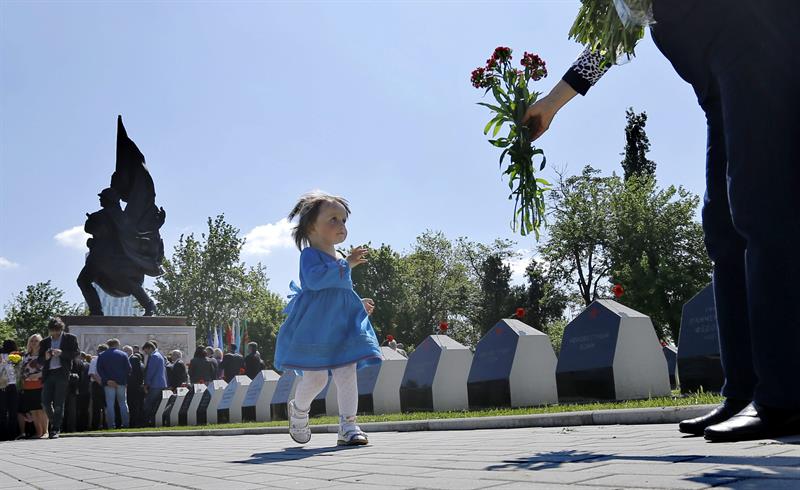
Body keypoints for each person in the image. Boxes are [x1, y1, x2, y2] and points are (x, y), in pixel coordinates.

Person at [522, 1, 800, 442]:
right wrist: (551, 105)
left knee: (761, 213)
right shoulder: (636, 6)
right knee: (723, 233)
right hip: (720, 100)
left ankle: (785, 396)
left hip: (762, 57)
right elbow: (607, 44)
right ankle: (743, 391)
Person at [274, 191, 382, 446]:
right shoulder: (310, 255)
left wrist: (358, 303)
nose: (341, 226)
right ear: (311, 226)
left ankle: (348, 425)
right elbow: (316, 281)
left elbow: (341, 291)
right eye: (333, 219)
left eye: (343, 220)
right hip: (317, 327)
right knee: (317, 377)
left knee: (347, 371)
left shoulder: (339, 259)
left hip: (341, 326)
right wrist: (346, 264)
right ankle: (299, 411)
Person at [38, 317, 79, 439]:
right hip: (48, 374)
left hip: (62, 373)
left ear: (61, 329)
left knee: (58, 403)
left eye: (57, 331)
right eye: (52, 331)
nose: (55, 333)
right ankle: (55, 422)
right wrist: (45, 357)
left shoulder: (70, 338)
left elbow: (76, 354)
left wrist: (61, 353)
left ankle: (55, 428)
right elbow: (40, 361)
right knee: (45, 402)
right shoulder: (44, 342)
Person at [16, 335, 47, 439]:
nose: (34, 342)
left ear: (41, 342)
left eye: (36, 341)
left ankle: (45, 432)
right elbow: (22, 370)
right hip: (28, 386)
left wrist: (38, 375)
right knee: (33, 410)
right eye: (32, 341)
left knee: (42, 409)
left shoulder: (44, 355)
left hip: (41, 385)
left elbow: (49, 370)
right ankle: (39, 432)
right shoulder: (26, 356)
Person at [97, 339, 131, 429]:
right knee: (123, 403)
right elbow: (128, 369)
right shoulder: (123, 355)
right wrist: (121, 379)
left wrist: (107, 380)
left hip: (108, 383)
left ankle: (111, 425)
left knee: (110, 404)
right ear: (117, 344)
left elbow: (99, 370)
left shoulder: (102, 355)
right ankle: (126, 424)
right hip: (121, 383)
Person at [141, 341, 167, 426]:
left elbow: (150, 372)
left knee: (148, 404)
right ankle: (154, 421)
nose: (146, 353)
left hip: (155, 384)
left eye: (146, 351)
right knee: (156, 404)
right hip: (161, 384)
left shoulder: (154, 356)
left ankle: (146, 422)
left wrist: (146, 383)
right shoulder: (160, 355)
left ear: (150, 348)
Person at [0, 339, 20, 441]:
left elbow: (18, 370)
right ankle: (9, 435)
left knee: (5, 411)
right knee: (10, 411)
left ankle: (6, 435)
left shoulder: (17, 356)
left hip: (9, 384)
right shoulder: (15, 355)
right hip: (6, 384)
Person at [124, 346, 144, 428]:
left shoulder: (133, 359)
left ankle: (134, 423)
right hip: (135, 386)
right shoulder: (134, 359)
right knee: (134, 405)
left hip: (134, 386)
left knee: (133, 405)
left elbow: (135, 374)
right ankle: (135, 422)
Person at [88, 344, 108, 430]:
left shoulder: (94, 360)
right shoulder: (108, 360)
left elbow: (92, 373)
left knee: (96, 407)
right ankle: (106, 424)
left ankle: (95, 425)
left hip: (97, 384)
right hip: (106, 384)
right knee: (106, 406)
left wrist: (99, 382)